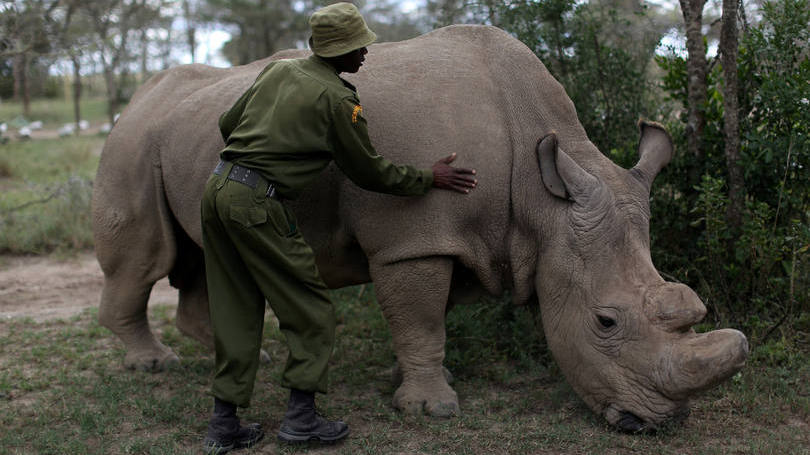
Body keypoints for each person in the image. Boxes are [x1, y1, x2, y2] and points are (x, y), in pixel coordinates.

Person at [200, 2, 477, 452]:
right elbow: (369, 173)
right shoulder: (338, 99)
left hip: (218, 191)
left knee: (234, 307)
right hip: (257, 203)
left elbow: (227, 123)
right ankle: (301, 420)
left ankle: (223, 425)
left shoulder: (279, 72)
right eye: (358, 46)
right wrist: (430, 178)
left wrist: (271, 142)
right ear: (338, 52)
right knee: (311, 310)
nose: (365, 53)